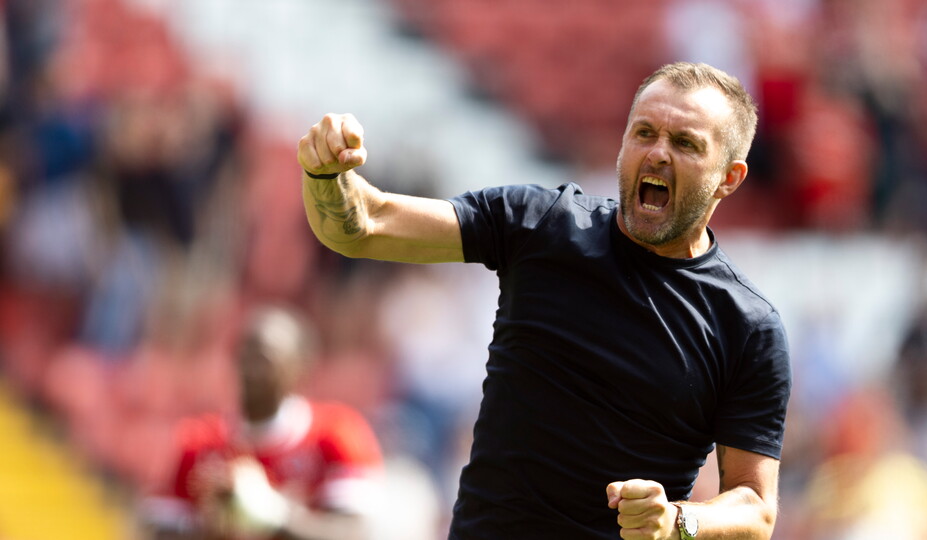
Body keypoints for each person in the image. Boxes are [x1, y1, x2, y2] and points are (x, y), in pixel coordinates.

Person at [297, 62, 791, 539]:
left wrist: (679, 521)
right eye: (643, 133)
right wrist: (324, 174)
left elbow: (754, 506)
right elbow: (363, 225)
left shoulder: (747, 327)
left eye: (685, 143)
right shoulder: (541, 225)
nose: (657, 153)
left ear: (729, 177)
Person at [142, 306, 383, 540]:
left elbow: (352, 532)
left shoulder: (336, 434)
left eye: (265, 360)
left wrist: (276, 517)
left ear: (299, 366)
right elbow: (160, 527)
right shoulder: (199, 443)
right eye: (245, 355)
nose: (252, 369)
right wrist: (218, 521)